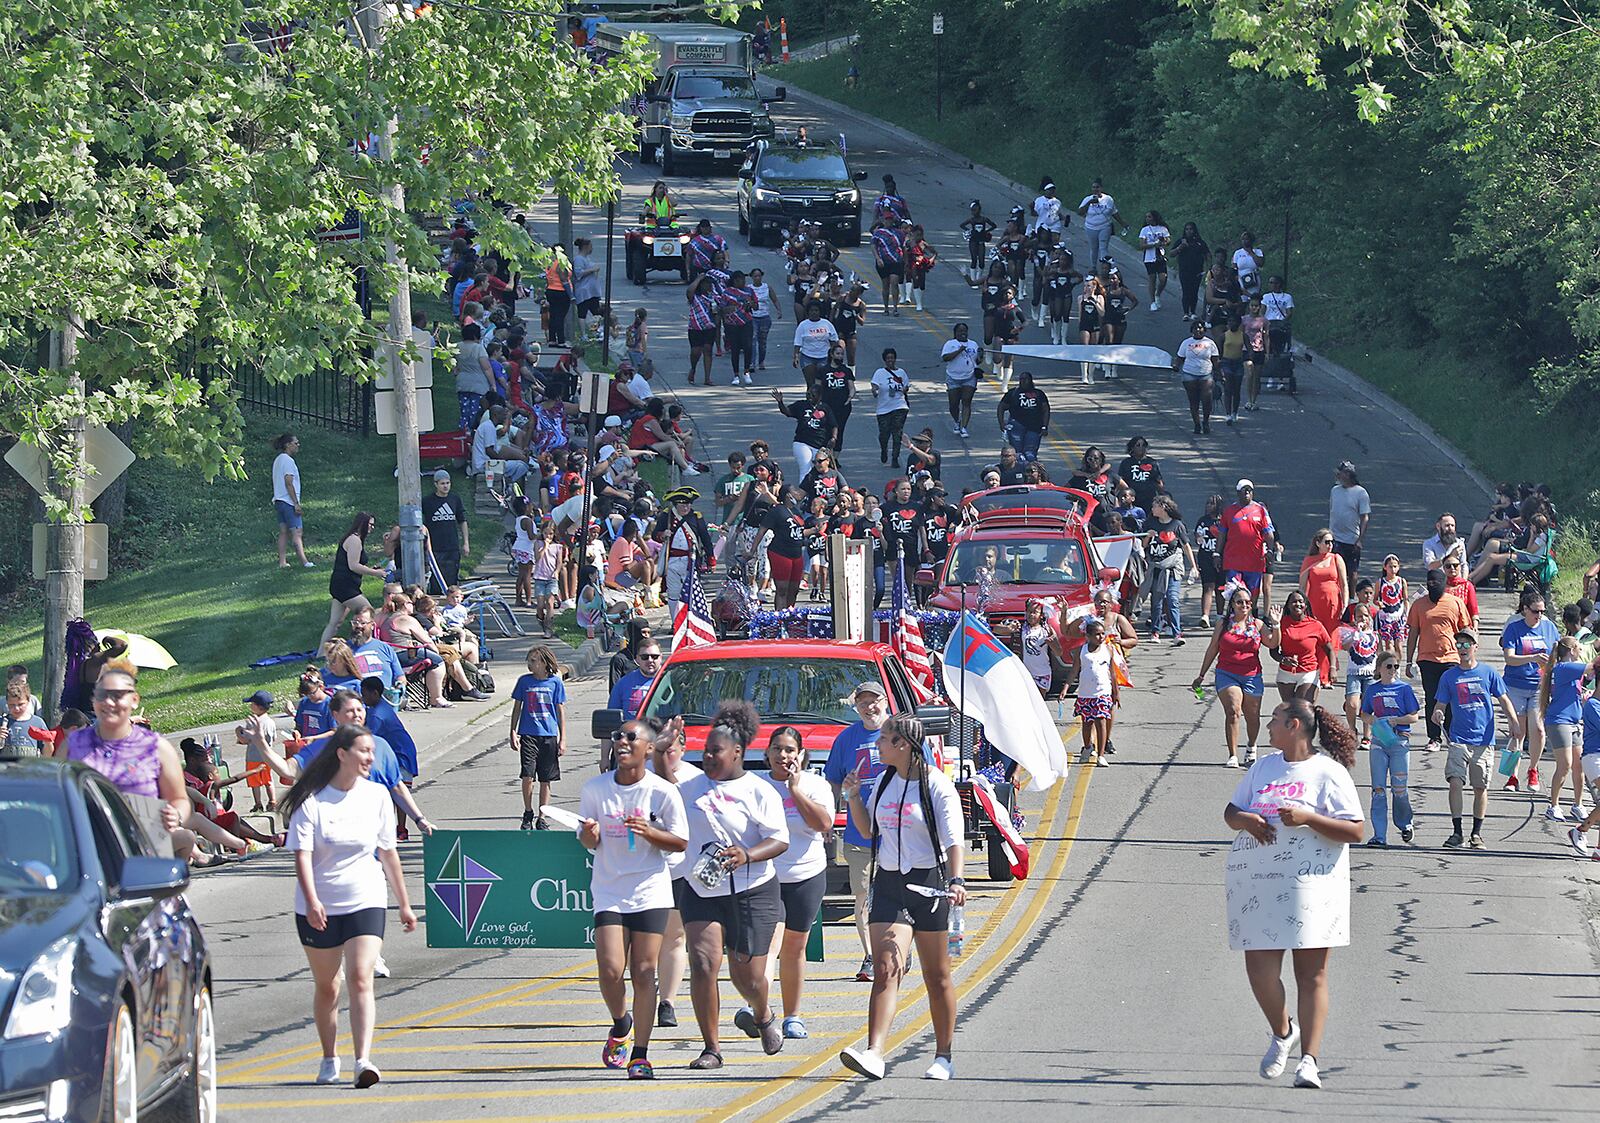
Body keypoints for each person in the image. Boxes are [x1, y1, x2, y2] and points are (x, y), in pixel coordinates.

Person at [1223, 699, 1363, 1090]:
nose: (1268, 727)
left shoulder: (1328, 773)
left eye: (1274, 721)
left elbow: (1355, 830)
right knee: (1259, 972)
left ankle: (1310, 1062)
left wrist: (1308, 819)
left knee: (1311, 974)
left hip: (1311, 886)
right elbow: (1231, 812)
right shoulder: (1264, 767)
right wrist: (1246, 819)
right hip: (1262, 886)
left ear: (1295, 725)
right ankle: (1284, 1031)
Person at [283, 724, 416, 1088]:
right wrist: (312, 901)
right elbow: (303, 857)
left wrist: (404, 904)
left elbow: (388, 853)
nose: (370, 758)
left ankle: (362, 1060)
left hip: (366, 898)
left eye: (372, 751)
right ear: (342, 754)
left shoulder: (376, 796)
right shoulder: (311, 802)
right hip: (320, 904)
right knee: (328, 986)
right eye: (363, 751)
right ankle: (329, 1057)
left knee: (360, 977)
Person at [839, 714, 965, 1082]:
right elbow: (867, 831)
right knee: (885, 968)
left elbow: (953, 839)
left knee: (936, 975)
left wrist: (957, 880)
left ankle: (944, 1055)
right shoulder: (883, 781)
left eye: (884, 739)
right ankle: (875, 1052)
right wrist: (852, 797)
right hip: (890, 884)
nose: (877, 745)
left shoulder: (937, 786)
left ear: (903, 746)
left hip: (928, 885)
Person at [677, 701, 790, 1069]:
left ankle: (762, 1013)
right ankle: (712, 1048)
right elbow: (662, 779)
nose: (707, 756)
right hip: (702, 890)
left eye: (716, 751)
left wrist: (747, 854)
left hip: (752, 890)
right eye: (705, 750)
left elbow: (780, 840)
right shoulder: (690, 788)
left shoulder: (759, 792)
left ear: (738, 752)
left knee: (748, 976)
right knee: (703, 962)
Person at [578, 716, 688, 1079]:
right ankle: (620, 1023)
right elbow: (588, 842)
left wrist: (650, 832)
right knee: (611, 969)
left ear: (648, 748)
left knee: (644, 971)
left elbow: (680, 841)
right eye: (617, 737)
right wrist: (590, 835)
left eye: (630, 737)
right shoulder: (595, 789)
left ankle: (640, 1054)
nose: (622, 742)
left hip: (651, 889)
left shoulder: (662, 791)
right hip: (610, 889)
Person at [751, 726, 835, 1040]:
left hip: (806, 876)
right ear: (767, 753)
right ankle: (758, 1008)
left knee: (794, 949)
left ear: (800, 754)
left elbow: (822, 825)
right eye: (777, 749)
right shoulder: (756, 786)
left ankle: (792, 1017)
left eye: (789, 750)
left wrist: (795, 790)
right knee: (769, 945)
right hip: (766, 878)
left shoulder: (815, 784)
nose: (783, 756)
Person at [64, 669, 194, 856]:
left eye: (117, 695)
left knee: (186, 840)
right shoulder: (72, 745)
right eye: (101, 695)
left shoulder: (157, 747)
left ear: (134, 700)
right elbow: (55, 794)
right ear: (93, 700)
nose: (108, 702)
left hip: (146, 848)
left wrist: (177, 815)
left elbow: (180, 799)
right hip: (91, 851)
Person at [825, 683, 892, 981]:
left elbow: (925, 774)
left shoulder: (898, 732)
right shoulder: (846, 739)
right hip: (858, 836)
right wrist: (828, 818)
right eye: (863, 703)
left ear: (884, 701)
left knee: (896, 896)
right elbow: (832, 782)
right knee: (863, 895)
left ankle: (897, 945)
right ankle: (870, 956)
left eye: (874, 701)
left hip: (897, 835)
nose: (869, 707)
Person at [1432, 631, 1519, 848]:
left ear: (1475, 647)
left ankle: (1476, 834)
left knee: (1480, 788)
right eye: (1459, 644)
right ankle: (1457, 832)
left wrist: (1514, 722)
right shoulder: (1449, 677)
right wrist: (1438, 714)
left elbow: (1504, 699)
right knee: (1455, 782)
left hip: (1483, 740)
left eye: (1466, 644)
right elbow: (1439, 706)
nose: (1462, 648)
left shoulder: (1488, 672)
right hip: (1458, 739)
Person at [1194, 586, 1280, 766]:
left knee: (1252, 715)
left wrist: (1276, 625)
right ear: (1232, 604)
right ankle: (1232, 755)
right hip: (1226, 673)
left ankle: (1251, 746)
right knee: (1233, 710)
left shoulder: (1257, 625)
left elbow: (1272, 643)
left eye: (1248, 602)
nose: (1244, 605)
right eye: (1240, 602)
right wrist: (1201, 675)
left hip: (1252, 675)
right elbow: (1213, 649)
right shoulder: (1223, 624)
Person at [1499, 584, 1561, 792]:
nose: (1539, 615)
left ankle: (1532, 770)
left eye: (1542, 611)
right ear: (1525, 609)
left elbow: (1556, 654)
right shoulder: (1515, 627)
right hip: (1515, 685)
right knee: (1517, 732)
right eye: (1536, 611)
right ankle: (1512, 776)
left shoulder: (1549, 627)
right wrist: (1532, 658)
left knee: (1539, 730)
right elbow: (1509, 658)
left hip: (1539, 687)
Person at [1404, 568, 1475, 750]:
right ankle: (1434, 737)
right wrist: (1409, 661)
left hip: (1451, 658)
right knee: (1432, 698)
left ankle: (1453, 735)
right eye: (1429, 582)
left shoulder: (1456, 603)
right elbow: (1413, 633)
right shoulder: (1419, 605)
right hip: (1427, 659)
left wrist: (1468, 656)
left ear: (1443, 583)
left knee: (1452, 698)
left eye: (1436, 582)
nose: (1432, 585)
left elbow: (1465, 631)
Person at [1359, 653, 1420, 845]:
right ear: (1379, 669)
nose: (1393, 670)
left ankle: (1405, 824)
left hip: (1399, 742)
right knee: (1378, 789)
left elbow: (1414, 716)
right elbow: (1364, 713)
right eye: (1389, 666)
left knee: (1399, 789)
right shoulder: (1372, 689)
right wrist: (1373, 721)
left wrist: (1397, 720)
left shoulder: (1404, 689)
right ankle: (1379, 836)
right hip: (1379, 742)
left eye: (1395, 666)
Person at [509, 646, 566, 830]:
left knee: (545, 778)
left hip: (548, 735)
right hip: (528, 734)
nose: (530, 664)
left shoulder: (555, 683)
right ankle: (528, 812)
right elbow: (517, 707)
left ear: (543, 662)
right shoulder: (524, 682)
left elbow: (559, 710)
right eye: (529, 660)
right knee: (527, 775)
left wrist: (562, 738)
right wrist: (513, 731)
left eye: (534, 661)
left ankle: (542, 815)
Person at [319, 512, 387, 652]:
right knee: (369, 614)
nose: (372, 528)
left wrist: (370, 569)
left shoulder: (353, 539)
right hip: (346, 587)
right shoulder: (354, 540)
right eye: (370, 524)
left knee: (335, 623)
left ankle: (321, 653)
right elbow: (353, 565)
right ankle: (367, 647)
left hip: (340, 585)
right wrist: (376, 573)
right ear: (362, 524)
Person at [1536, 638, 1587, 822]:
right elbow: (1592, 667)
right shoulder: (1565, 668)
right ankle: (1554, 805)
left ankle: (1578, 804)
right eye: (1579, 648)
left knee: (1578, 766)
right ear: (1571, 651)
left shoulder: (1568, 669)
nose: (1581, 650)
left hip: (1574, 721)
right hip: (1560, 721)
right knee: (1564, 765)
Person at [1144, 496, 1197, 643]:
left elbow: (1186, 546)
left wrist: (1193, 566)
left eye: (1155, 506)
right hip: (1156, 568)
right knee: (1157, 601)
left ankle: (1177, 633)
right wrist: (1148, 536)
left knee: (1173, 599)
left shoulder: (1177, 525)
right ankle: (1155, 631)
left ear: (1164, 507)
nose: (1152, 509)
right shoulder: (1150, 523)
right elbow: (1142, 545)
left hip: (1172, 568)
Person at [1299, 530, 1349, 686]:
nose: (1330, 545)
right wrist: (1301, 606)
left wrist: (1345, 603)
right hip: (1314, 603)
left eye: (1332, 542)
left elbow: (1343, 583)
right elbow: (1302, 587)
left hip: (1333, 604)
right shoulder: (1309, 561)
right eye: (1327, 542)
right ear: (1318, 543)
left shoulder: (1336, 559)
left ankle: (1327, 675)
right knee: (1317, 638)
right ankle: (1316, 673)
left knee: (1330, 639)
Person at [1070, 618, 1120, 766]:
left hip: (1103, 692)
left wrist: (1116, 693)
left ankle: (1101, 754)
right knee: (1087, 723)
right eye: (1097, 634)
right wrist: (1066, 687)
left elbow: (1113, 673)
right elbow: (1074, 670)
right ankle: (1087, 747)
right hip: (1086, 694)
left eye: (1103, 633)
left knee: (1101, 721)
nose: (1101, 637)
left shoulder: (1108, 649)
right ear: (1088, 636)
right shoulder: (1082, 651)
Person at [1218, 480, 1276, 605]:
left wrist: (1270, 551)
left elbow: (1269, 534)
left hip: (1254, 562)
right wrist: (1217, 554)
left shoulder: (1261, 511)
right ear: (1238, 493)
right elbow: (1222, 534)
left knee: (1252, 596)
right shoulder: (1229, 511)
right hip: (1233, 561)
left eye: (1249, 490)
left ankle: (1251, 620)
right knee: (1235, 594)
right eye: (1244, 490)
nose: (1247, 493)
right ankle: (1233, 621)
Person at [1275, 591, 1332, 703]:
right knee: (1290, 710)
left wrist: (1332, 668)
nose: (1298, 604)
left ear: (1305, 605)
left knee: (1303, 707)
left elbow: (1329, 649)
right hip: (1286, 673)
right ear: (1288, 605)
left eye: (1301, 601)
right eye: (1294, 602)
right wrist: (1283, 660)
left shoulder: (1316, 625)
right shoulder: (1281, 623)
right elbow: (1273, 650)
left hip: (1309, 672)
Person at [771, 385, 835, 481]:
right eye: (808, 394)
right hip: (802, 442)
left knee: (820, 470)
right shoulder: (801, 405)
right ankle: (804, 494)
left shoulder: (825, 408)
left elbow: (834, 425)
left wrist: (834, 438)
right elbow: (787, 412)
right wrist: (780, 402)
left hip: (819, 444)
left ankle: (820, 491)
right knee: (805, 469)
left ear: (820, 396)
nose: (810, 397)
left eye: (813, 395)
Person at [421, 470, 470, 588]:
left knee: (452, 577)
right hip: (435, 547)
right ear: (436, 484)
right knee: (436, 578)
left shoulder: (454, 499)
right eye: (442, 483)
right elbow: (420, 521)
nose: (445, 486)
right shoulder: (427, 501)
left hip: (452, 546)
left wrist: (466, 543)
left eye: (448, 483)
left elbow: (462, 521)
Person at [1328, 462, 1371, 591]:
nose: (1338, 475)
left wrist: (1360, 540)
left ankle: (1351, 598)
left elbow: (1365, 517)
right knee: (1335, 570)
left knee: (1352, 571)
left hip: (1351, 539)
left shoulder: (1361, 493)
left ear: (1347, 474)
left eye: (1340, 472)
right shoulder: (1335, 490)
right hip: (1335, 538)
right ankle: (1337, 595)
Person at [272, 433, 312, 568]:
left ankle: (282, 562)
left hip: (278, 500)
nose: (298, 445)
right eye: (296, 443)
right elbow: (289, 482)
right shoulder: (288, 461)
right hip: (288, 501)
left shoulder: (278, 460)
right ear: (288, 445)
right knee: (297, 532)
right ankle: (304, 561)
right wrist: (296, 503)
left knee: (283, 531)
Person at [1173, 319, 1220, 434]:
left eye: (1200, 328)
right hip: (1189, 375)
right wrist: (1176, 366)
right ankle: (1197, 424)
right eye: (1195, 328)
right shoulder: (1186, 343)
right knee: (1193, 401)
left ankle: (1206, 421)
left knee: (1206, 400)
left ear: (1204, 330)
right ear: (1192, 330)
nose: (1198, 330)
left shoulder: (1210, 343)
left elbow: (1215, 360)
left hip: (1206, 375)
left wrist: (1219, 373)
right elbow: (1180, 358)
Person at [870, 348, 911, 468]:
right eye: (888, 358)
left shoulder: (901, 372)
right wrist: (874, 391)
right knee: (884, 433)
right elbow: (874, 385)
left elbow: (906, 386)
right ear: (884, 360)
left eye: (892, 358)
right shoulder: (880, 372)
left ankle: (895, 457)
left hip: (899, 406)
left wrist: (904, 389)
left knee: (897, 432)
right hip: (883, 408)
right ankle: (884, 449)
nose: (890, 360)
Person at [997, 371, 1049, 463]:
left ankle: (1031, 472)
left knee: (1030, 453)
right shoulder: (1013, 393)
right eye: (1021, 379)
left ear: (1031, 380)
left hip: (1034, 427)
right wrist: (1001, 423)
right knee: (1017, 453)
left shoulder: (1039, 394)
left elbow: (1046, 410)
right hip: (1016, 426)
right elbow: (1001, 407)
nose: (1023, 381)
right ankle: (1020, 472)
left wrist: (1044, 426)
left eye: (1026, 379)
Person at [939, 323, 981, 438]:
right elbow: (945, 358)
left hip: (970, 376)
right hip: (953, 377)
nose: (962, 333)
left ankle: (964, 427)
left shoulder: (973, 344)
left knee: (967, 401)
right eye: (960, 331)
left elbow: (977, 361)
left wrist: (980, 356)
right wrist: (959, 350)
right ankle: (957, 421)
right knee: (953, 404)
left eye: (964, 331)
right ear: (955, 333)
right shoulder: (950, 344)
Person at [1076, 178, 1125, 267]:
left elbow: (1114, 212)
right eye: (1093, 187)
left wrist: (1122, 223)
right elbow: (1080, 212)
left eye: (1097, 187)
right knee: (1094, 248)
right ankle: (1093, 267)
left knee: (1103, 247)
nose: (1095, 189)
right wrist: (1090, 202)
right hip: (1091, 227)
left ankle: (1104, 268)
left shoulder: (1108, 199)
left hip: (1105, 226)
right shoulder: (1087, 199)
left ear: (1101, 188)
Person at [791, 302, 839, 391]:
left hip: (824, 357)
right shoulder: (803, 325)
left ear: (820, 312)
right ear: (808, 312)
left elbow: (834, 341)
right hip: (807, 357)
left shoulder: (827, 324)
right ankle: (809, 403)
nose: (814, 312)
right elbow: (797, 343)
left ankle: (823, 403)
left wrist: (835, 356)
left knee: (823, 384)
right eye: (811, 310)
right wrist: (796, 356)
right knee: (811, 385)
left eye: (816, 310)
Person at [1173, 222, 1210, 322]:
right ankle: (1186, 313)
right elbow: (1172, 253)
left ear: (1194, 230)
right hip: (1184, 270)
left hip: (1197, 271)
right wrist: (1180, 247)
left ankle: (1193, 312)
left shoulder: (1199, 242)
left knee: (1194, 291)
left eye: (1191, 229)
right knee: (1186, 291)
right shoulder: (1181, 241)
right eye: (1187, 229)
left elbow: (1207, 254)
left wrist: (1208, 268)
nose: (1189, 231)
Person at [1138, 210, 1170, 310]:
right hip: (1149, 258)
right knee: (1152, 279)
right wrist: (1153, 245)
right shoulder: (1145, 230)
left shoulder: (1163, 229)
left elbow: (1168, 240)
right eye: (1146, 217)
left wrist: (1164, 241)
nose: (1147, 219)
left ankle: (1158, 293)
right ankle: (1152, 302)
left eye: (1149, 217)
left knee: (1163, 278)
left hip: (1160, 256)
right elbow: (1142, 245)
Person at [749, 267, 780, 371]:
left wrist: (778, 310)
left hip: (764, 317)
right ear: (752, 277)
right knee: (752, 340)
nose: (757, 278)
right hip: (752, 317)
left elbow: (775, 300)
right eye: (755, 276)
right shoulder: (748, 288)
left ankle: (761, 361)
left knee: (762, 342)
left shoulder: (767, 287)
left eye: (759, 276)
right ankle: (752, 363)